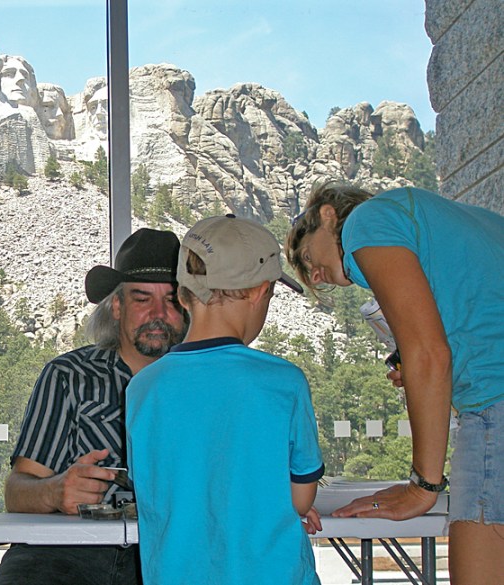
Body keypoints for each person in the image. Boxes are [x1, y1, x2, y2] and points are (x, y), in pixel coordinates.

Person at [285, 183, 504, 584]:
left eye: (305, 255)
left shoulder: (367, 221)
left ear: (328, 215)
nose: (314, 273)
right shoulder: (460, 220)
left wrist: (423, 486)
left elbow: (430, 354)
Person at [126, 215, 324, 584]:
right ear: (257, 292)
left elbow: (157, 489)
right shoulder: (284, 381)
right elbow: (299, 500)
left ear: (184, 294)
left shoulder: (143, 387)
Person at [0, 228, 187, 585]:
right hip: (65, 551)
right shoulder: (68, 375)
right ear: (116, 306)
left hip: (174, 551)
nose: (159, 313)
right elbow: (16, 490)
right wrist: (55, 490)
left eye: (172, 301)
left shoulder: (204, 382)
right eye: (142, 299)